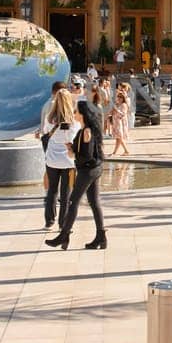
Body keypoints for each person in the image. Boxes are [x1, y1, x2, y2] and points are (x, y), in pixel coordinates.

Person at [48, 98, 107, 250]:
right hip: (94, 169)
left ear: (82, 114)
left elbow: (85, 155)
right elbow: (86, 153)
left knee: (73, 201)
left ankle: (64, 235)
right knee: (94, 202)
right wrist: (72, 149)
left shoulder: (86, 131)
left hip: (87, 170)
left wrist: (72, 150)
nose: (73, 113)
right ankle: (101, 237)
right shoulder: (87, 130)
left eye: (76, 111)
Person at [38, 87, 80, 231]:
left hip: (52, 159)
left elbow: (45, 132)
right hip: (68, 161)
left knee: (52, 191)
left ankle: (49, 221)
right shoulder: (73, 122)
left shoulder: (50, 119)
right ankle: (63, 223)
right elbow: (73, 140)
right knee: (66, 193)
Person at [110, 84, 133, 156]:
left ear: (123, 98)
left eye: (120, 97)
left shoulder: (124, 105)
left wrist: (116, 110)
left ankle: (126, 151)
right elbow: (113, 112)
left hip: (121, 123)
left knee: (120, 138)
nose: (119, 98)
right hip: (116, 123)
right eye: (118, 97)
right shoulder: (117, 104)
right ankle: (114, 152)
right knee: (118, 138)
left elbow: (123, 114)